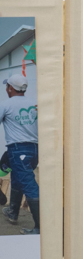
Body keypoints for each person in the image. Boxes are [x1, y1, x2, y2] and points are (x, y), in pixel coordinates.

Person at [0, 75, 39, 235]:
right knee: (17, 179)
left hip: (18, 150)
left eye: (7, 86)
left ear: (10, 87)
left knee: (30, 186)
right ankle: (13, 213)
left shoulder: (6, 105)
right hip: (34, 149)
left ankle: (39, 228)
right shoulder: (34, 105)